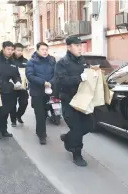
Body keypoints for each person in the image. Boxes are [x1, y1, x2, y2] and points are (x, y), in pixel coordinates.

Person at [55, 36, 92, 167]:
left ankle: (68, 137)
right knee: (77, 128)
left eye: (80, 46)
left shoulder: (83, 61)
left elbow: (89, 77)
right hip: (69, 101)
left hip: (83, 100)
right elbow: (61, 81)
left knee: (89, 126)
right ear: (69, 47)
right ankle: (77, 154)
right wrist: (79, 78)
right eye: (77, 46)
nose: (80, 48)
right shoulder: (62, 63)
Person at [25, 42, 56, 145]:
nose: (45, 51)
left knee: (46, 112)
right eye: (42, 49)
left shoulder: (52, 60)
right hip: (37, 92)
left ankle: (41, 130)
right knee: (40, 114)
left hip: (49, 91)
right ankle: (42, 135)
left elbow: (57, 73)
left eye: (46, 49)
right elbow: (30, 76)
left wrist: (51, 82)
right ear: (37, 50)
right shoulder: (32, 62)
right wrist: (43, 82)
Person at [10, 43, 29, 127]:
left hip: (23, 86)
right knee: (12, 104)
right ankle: (13, 120)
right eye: (18, 50)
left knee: (24, 103)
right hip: (12, 86)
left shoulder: (25, 61)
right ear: (13, 50)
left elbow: (29, 72)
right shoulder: (9, 61)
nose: (20, 52)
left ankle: (18, 115)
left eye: (21, 50)